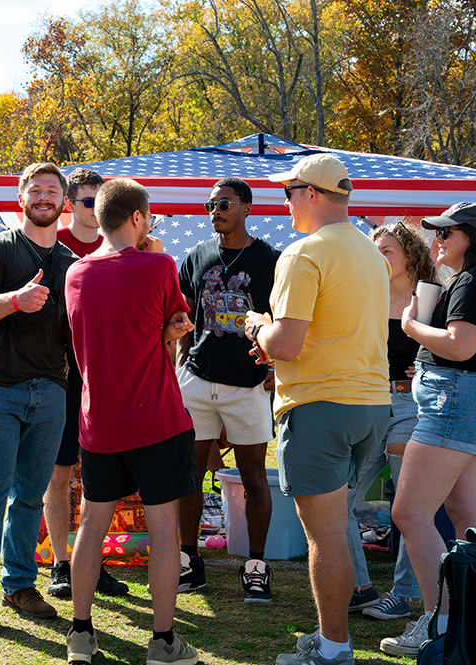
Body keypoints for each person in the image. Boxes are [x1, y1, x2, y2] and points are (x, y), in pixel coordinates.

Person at [246, 153, 391, 665]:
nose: (284, 203)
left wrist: (255, 326)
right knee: (338, 530)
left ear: (311, 194)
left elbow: (284, 345)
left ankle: (333, 649)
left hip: (321, 405)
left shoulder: (303, 253)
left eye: (288, 193)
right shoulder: (373, 252)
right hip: (371, 406)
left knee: (326, 536)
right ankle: (331, 639)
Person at [65, 177, 200, 665]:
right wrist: (154, 254)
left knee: (91, 523)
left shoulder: (75, 272)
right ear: (139, 217)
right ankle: (164, 642)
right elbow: (174, 327)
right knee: (164, 527)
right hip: (156, 420)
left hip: (98, 422)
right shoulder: (160, 264)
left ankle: (81, 634)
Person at [384, 202, 476, 656]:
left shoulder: (474, 281)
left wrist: (412, 325)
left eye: (447, 233)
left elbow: (462, 346)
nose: (437, 240)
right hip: (472, 401)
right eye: (437, 233)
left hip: (455, 402)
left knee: (410, 514)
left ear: (472, 240)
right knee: (469, 521)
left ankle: (440, 620)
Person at [0, 162, 76, 632]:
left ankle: (21, 585)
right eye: (37, 190)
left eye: (53, 191)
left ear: (62, 203)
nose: (45, 197)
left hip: (51, 391)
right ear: (21, 197)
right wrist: (13, 300)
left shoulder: (70, 263)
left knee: (30, 494)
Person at [175, 177, 280, 602]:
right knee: (189, 477)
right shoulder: (197, 256)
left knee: (254, 478)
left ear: (247, 207)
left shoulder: (270, 259)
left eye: (223, 203)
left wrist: (278, 369)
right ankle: (188, 558)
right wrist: (181, 361)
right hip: (198, 380)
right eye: (209, 205)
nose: (215, 210)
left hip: (249, 383)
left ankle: (255, 565)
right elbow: (181, 315)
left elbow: (286, 319)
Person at [44, 167, 128, 600]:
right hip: (61, 377)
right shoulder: (53, 246)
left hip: (105, 378)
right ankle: (62, 563)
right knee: (58, 474)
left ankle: (93, 562)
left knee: (102, 478)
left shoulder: (119, 246)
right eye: (86, 201)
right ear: (68, 205)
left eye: (100, 202)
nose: (94, 210)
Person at [345, 222, 433, 621]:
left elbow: (460, 344)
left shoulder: (431, 298)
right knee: (339, 500)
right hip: (370, 403)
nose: (378, 258)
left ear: (411, 256)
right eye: (374, 250)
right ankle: (361, 587)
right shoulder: (366, 295)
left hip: (413, 406)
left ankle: (404, 596)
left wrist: (432, 363)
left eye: (387, 251)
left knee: (408, 505)